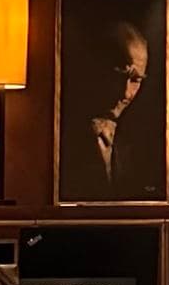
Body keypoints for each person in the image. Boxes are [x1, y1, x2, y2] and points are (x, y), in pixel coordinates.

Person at [62, 14, 161, 200]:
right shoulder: (62, 136)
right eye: (118, 76)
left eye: (135, 80)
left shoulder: (141, 146)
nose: (126, 93)